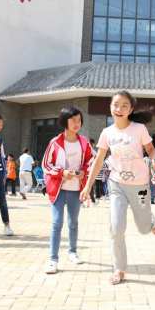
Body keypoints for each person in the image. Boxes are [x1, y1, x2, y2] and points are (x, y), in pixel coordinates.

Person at [81, 90, 155, 285]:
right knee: (116, 228)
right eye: (116, 105)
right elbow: (99, 161)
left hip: (140, 185)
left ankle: (150, 220)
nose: (119, 109)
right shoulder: (106, 133)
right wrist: (87, 186)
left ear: (131, 109)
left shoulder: (139, 129)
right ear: (110, 107)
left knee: (143, 228)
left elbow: (150, 150)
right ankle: (119, 269)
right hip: (117, 183)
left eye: (124, 105)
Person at [42, 106, 94, 274]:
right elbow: (46, 164)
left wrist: (83, 171)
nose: (77, 123)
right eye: (73, 120)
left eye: (79, 120)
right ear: (65, 121)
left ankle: (72, 252)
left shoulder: (84, 142)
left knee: (73, 223)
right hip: (58, 189)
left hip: (75, 189)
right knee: (57, 223)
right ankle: (53, 260)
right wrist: (62, 172)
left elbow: (91, 161)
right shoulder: (55, 142)